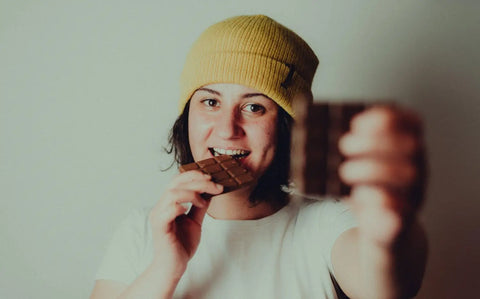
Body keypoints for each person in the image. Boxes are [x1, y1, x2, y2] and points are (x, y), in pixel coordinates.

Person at [90, 15, 428, 299]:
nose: (227, 129)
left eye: (254, 107)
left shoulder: (325, 224)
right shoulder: (141, 231)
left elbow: (387, 287)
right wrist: (166, 267)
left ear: (285, 127)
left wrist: (390, 235)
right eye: (210, 102)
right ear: (186, 116)